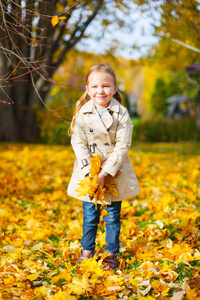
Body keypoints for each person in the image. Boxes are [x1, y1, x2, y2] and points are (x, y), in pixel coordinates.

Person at [67, 64, 140, 269]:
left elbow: (123, 145)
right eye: (96, 86)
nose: (101, 91)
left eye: (106, 86)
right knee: (90, 215)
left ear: (115, 88)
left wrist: (106, 171)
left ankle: (111, 253)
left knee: (113, 217)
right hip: (88, 171)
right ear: (88, 89)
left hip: (113, 172)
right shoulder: (83, 112)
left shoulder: (121, 114)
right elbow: (78, 142)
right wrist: (90, 170)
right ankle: (87, 250)